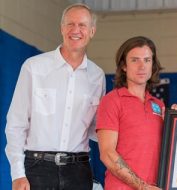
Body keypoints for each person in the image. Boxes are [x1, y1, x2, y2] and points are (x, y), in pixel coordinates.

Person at [5, 3, 106, 190]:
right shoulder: (34, 67)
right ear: (61, 28)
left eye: (82, 25)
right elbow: (15, 124)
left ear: (92, 31)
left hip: (79, 171)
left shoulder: (97, 76)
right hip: (37, 170)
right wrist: (17, 173)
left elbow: (95, 128)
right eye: (70, 24)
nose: (76, 30)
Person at [96, 36, 165, 190]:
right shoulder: (112, 101)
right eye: (135, 60)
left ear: (153, 65)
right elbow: (107, 153)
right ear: (124, 66)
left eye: (147, 60)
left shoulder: (159, 106)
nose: (142, 66)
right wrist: (142, 186)